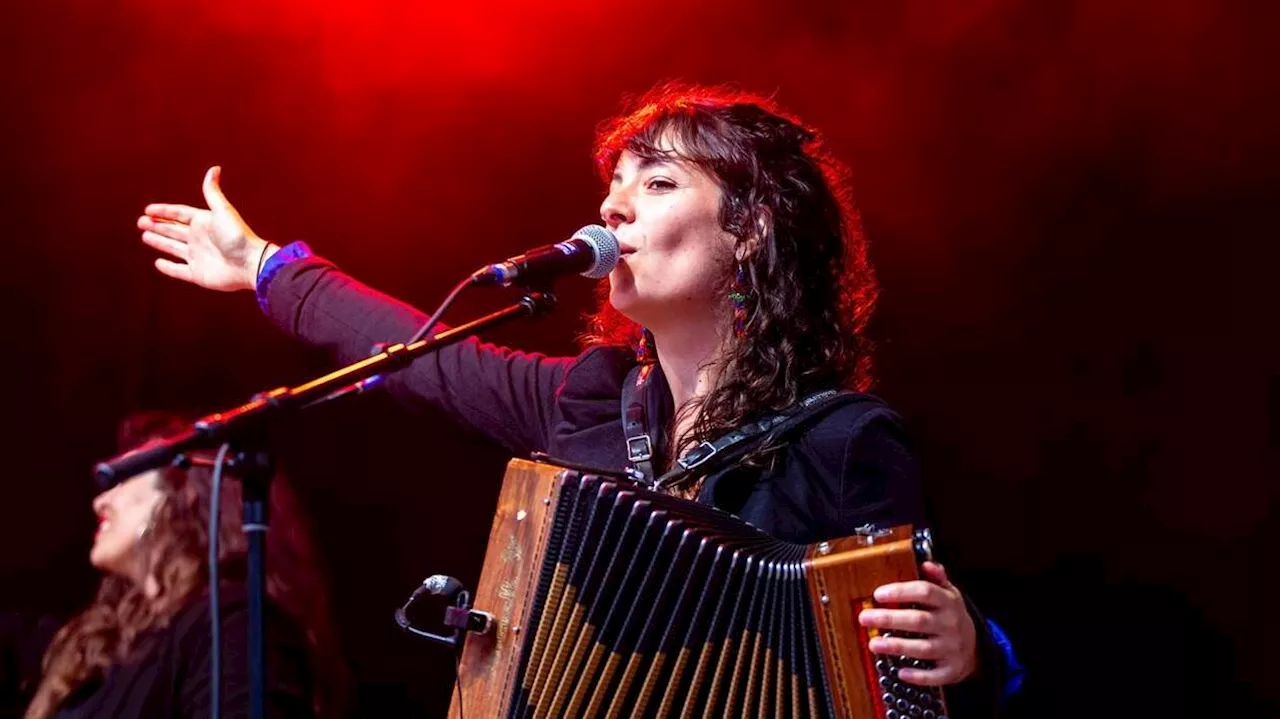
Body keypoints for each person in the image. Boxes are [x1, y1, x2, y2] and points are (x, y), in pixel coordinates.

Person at [137, 83, 1022, 714]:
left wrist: (976, 651)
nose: (613, 206)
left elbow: (917, 677)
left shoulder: (846, 443)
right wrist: (265, 267)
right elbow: (421, 360)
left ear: (750, 228)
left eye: (658, 182)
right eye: (615, 184)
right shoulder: (596, 402)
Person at [23, 412, 344, 719]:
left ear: (180, 496)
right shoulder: (103, 641)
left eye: (121, 481)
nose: (100, 501)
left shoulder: (231, 623)